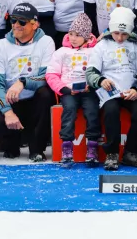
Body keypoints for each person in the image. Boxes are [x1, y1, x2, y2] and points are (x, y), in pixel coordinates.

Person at [0, 2, 56, 162]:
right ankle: (12, 142)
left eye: (22, 22)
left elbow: (46, 77)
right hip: (12, 101)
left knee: (46, 94)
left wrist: (23, 82)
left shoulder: (46, 42)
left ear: (35, 24)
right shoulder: (1, 46)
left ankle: (36, 148)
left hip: (34, 101)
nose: (16, 25)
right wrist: (7, 112)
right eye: (13, 21)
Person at [86, 7, 137, 170]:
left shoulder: (136, 46)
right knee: (111, 111)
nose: (120, 38)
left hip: (131, 90)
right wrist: (101, 81)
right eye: (116, 33)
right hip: (110, 91)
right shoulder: (101, 45)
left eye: (124, 34)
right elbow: (91, 71)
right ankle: (112, 153)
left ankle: (130, 151)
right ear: (110, 30)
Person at [47, 14, 100, 165]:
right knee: (69, 110)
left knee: (92, 110)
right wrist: (63, 89)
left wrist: (94, 84)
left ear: (87, 37)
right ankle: (67, 147)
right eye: (71, 34)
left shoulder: (94, 52)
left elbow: (99, 70)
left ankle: (92, 146)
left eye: (78, 35)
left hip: (88, 90)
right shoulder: (61, 52)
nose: (73, 38)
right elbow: (52, 74)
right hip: (68, 90)